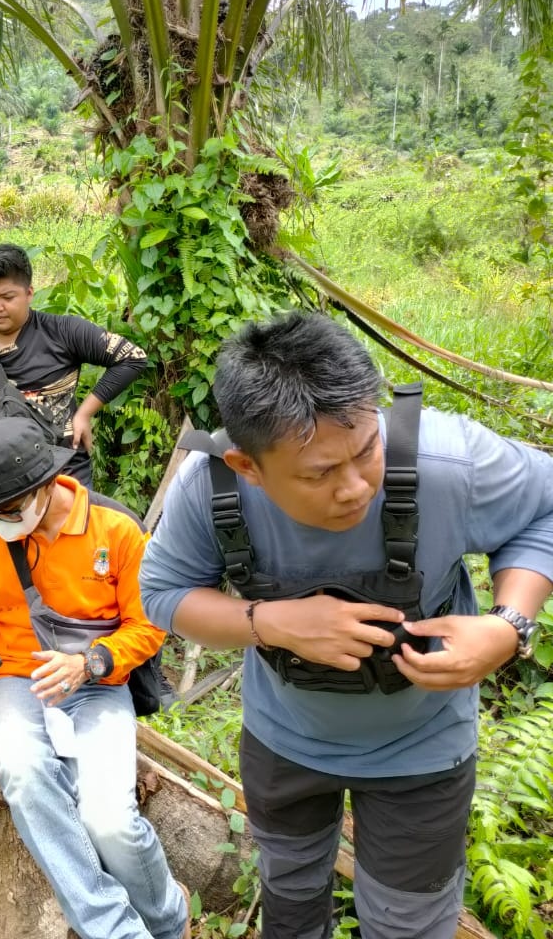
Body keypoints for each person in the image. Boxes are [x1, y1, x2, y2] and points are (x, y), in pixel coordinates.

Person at [139, 312, 553, 939]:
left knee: (408, 921)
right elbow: (162, 593)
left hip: (423, 748)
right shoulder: (214, 489)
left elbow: (545, 510)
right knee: (291, 889)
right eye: (319, 474)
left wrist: (507, 625)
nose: (356, 487)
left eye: (367, 451)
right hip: (283, 738)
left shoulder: (449, 462)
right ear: (248, 466)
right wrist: (269, 622)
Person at [0, 416, 191, 939]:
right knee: (26, 776)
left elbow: (149, 625)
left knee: (110, 820)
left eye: (6, 511)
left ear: (45, 486)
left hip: (95, 682)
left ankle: (168, 920)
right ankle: (116, 930)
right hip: (12, 680)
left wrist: (90, 663)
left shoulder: (116, 531)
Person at [0, 243, 151, 489]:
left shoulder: (64, 332)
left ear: (29, 293)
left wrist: (85, 413)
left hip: (64, 472)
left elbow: (132, 357)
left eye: (7, 297)